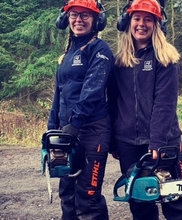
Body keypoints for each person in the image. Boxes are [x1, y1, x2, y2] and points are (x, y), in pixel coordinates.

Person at [108, 0, 182, 219]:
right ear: (128, 22)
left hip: (163, 142)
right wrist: (113, 140)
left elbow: (165, 103)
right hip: (128, 143)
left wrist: (156, 141)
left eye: (148, 19)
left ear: (157, 24)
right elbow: (113, 102)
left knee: (176, 203)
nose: (142, 24)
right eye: (137, 18)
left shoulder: (166, 58)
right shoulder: (119, 60)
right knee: (140, 203)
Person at [47, 0, 114, 219]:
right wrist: (52, 127)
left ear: (97, 20)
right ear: (66, 18)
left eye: (86, 15)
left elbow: (92, 90)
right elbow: (60, 91)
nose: (79, 20)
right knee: (67, 193)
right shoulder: (68, 52)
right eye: (75, 14)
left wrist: (75, 123)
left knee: (88, 196)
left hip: (92, 129)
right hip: (67, 129)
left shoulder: (99, 49)